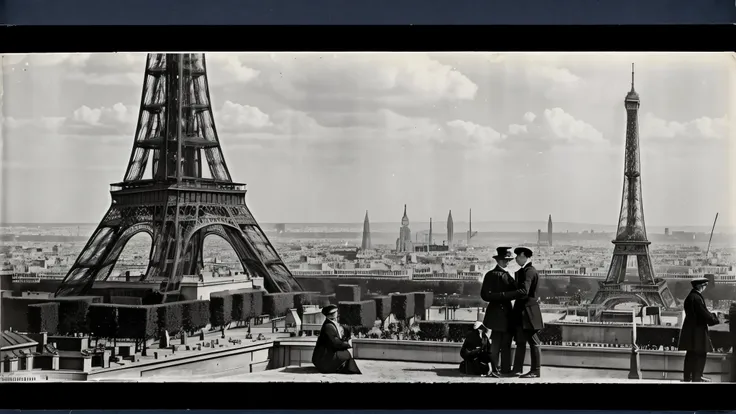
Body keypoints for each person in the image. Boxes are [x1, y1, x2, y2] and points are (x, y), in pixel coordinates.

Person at [486, 246, 544, 378]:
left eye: (517, 256)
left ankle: (535, 370)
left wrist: (504, 295)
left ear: (523, 255)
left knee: (533, 342)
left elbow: (524, 291)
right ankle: (519, 369)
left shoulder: (528, 272)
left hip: (527, 312)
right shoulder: (528, 270)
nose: (516, 259)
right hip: (526, 311)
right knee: (522, 341)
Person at [480, 246, 517, 377]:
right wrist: (504, 296)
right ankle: (502, 369)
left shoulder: (490, 275)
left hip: (495, 313)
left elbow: (485, 295)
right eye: (506, 260)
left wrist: (498, 296)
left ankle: (496, 369)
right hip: (505, 312)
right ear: (500, 260)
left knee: (498, 343)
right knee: (501, 344)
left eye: (508, 260)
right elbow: (515, 293)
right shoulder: (508, 276)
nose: (507, 262)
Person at [677, 277, 721, 382]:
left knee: (691, 354)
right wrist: (716, 319)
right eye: (704, 285)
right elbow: (704, 314)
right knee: (700, 354)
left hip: (690, 330)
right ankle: (697, 377)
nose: (705, 287)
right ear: (700, 286)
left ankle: (688, 377)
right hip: (698, 331)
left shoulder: (690, 297)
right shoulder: (697, 298)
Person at [311, 305, 362, 375]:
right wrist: (347, 344)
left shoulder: (329, 324)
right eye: (336, 312)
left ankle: (341, 367)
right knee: (347, 354)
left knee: (346, 354)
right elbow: (335, 343)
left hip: (324, 356)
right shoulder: (328, 326)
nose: (337, 313)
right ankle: (338, 367)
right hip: (324, 360)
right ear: (332, 314)